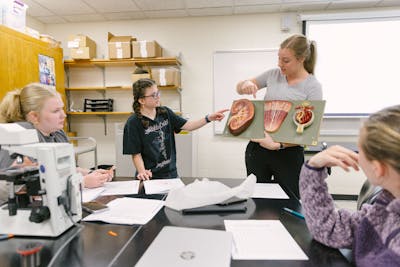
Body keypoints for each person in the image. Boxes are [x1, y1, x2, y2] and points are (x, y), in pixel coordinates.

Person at [300, 105, 400, 265]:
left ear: (377, 169)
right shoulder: (385, 208)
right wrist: (314, 167)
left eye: (360, 152)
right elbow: (330, 228)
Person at [236, 34, 322, 198]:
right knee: (257, 198)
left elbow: (309, 131)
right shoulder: (273, 75)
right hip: (257, 150)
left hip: (288, 153)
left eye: (286, 60)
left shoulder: (312, 86)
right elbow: (240, 87)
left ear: (301, 59)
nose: (279, 64)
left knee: (290, 200)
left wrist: (279, 145)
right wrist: (245, 84)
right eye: (279, 58)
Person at [0, 83, 113, 203]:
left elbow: (65, 168)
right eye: (56, 111)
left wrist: (91, 173)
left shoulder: (57, 133)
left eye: (62, 109)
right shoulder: (18, 139)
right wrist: (82, 182)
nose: (63, 115)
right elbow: (15, 188)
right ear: (34, 116)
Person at [123, 78, 228, 180]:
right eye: (154, 95)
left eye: (158, 93)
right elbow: (136, 154)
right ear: (141, 100)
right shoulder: (133, 122)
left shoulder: (165, 112)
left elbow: (189, 126)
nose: (158, 97)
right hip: (149, 176)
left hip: (170, 174)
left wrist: (208, 118)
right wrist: (142, 171)